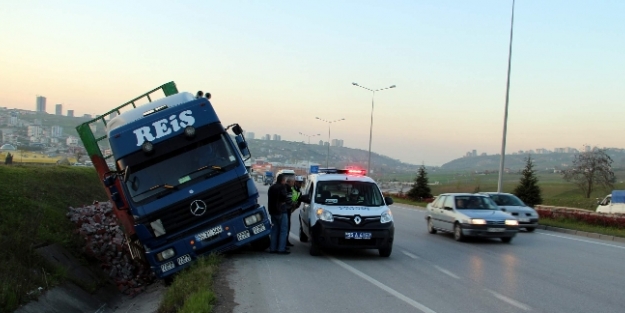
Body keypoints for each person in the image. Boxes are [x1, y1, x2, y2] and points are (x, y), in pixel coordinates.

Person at [267, 174, 291, 254]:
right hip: (281, 211)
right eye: (285, 180)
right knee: (283, 230)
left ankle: (273, 248)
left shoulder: (272, 187)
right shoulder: (282, 188)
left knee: (274, 230)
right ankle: (281, 249)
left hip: (272, 211)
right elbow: (285, 198)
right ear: (282, 180)